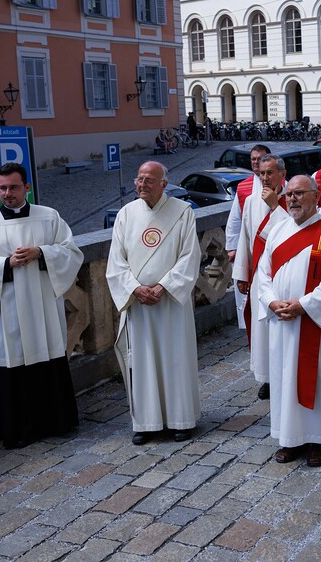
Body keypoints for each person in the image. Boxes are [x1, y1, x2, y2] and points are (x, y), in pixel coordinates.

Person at [0, 163, 83, 449]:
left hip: (43, 308)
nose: (7, 193)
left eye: (13, 187)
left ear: (27, 187)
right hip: (7, 311)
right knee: (12, 364)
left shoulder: (49, 217)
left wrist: (42, 253)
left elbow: (72, 253)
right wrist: (5, 264)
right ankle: (17, 430)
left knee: (47, 357)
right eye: (2, 188)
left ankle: (56, 422)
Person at [257, 175, 321, 467]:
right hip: (282, 321)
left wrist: (304, 306)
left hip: (313, 322)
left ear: (316, 196)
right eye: (289, 194)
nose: (292, 199)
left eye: (299, 193)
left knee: (319, 379)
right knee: (284, 378)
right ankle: (290, 437)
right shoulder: (278, 231)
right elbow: (263, 274)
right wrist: (271, 301)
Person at [107, 161, 202, 445]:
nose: (142, 184)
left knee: (176, 358)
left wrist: (164, 287)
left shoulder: (182, 212)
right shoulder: (126, 214)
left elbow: (190, 256)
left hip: (171, 302)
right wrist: (135, 289)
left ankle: (181, 419)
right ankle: (146, 423)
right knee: (143, 362)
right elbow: (116, 261)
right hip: (139, 304)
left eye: (149, 180)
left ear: (164, 184)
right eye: (139, 179)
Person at [234, 154, 288, 400]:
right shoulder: (252, 201)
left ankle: (285, 372)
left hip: (284, 272)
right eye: (262, 173)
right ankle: (266, 377)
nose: (265, 178)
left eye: (270, 173)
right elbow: (245, 238)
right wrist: (242, 273)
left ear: (282, 174)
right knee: (261, 326)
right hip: (259, 274)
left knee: (282, 325)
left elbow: (293, 234)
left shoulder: (293, 198)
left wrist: (276, 206)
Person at [226, 145, 270, 330]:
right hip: (249, 247)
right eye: (253, 159)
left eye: (260, 158)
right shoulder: (243, 187)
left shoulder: (283, 185)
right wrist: (232, 247)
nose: (256, 162)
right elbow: (235, 219)